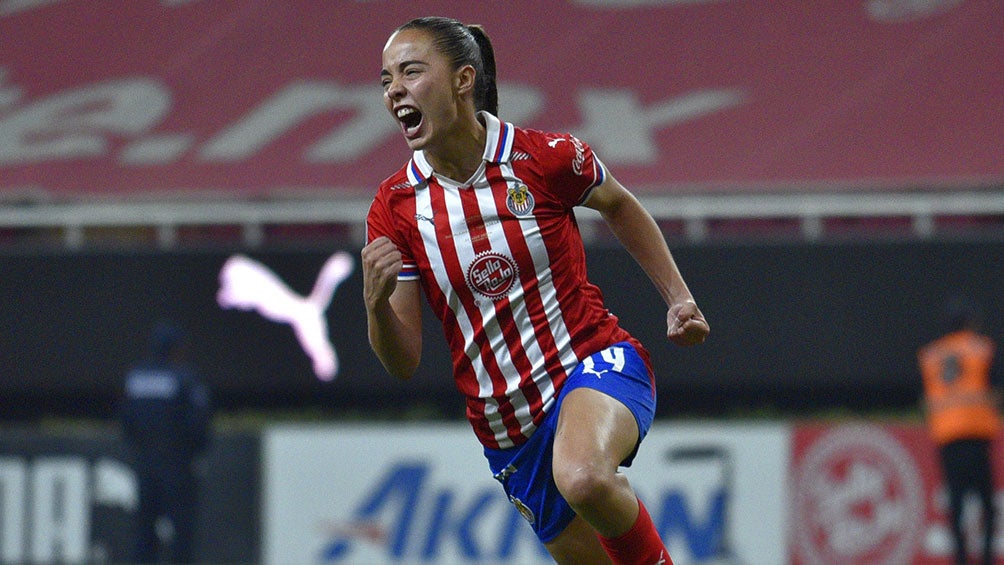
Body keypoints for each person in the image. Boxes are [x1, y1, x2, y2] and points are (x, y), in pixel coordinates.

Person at [362, 16, 709, 565]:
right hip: (507, 429)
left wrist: (679, 297)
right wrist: (376, 305)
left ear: (462, 79)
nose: (394, 90)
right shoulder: (395, 208)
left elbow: (619, 204)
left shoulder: (545, 157)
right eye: (385, 80)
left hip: (591, 363)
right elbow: (402, 363)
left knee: (585, 476)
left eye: (410, 72)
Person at [120, 321, 212, 564]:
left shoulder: (136, 377)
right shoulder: (184, 377)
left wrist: (142, 449)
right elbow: (198, 423)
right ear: (175, 348)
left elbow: (126, 421)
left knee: (144, 531)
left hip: (145, 463)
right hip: (177, 464)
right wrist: (196, 453)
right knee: (182, 531)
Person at [918, 297, 1001, 565]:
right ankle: (987, 559)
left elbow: (925, 399)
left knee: (957, 505)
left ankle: (961, 560)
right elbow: (993, 388)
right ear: (969, 322)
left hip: (947, 437)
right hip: (976, 433)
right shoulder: (981, 348)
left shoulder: (931, 354)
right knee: (987, 505)